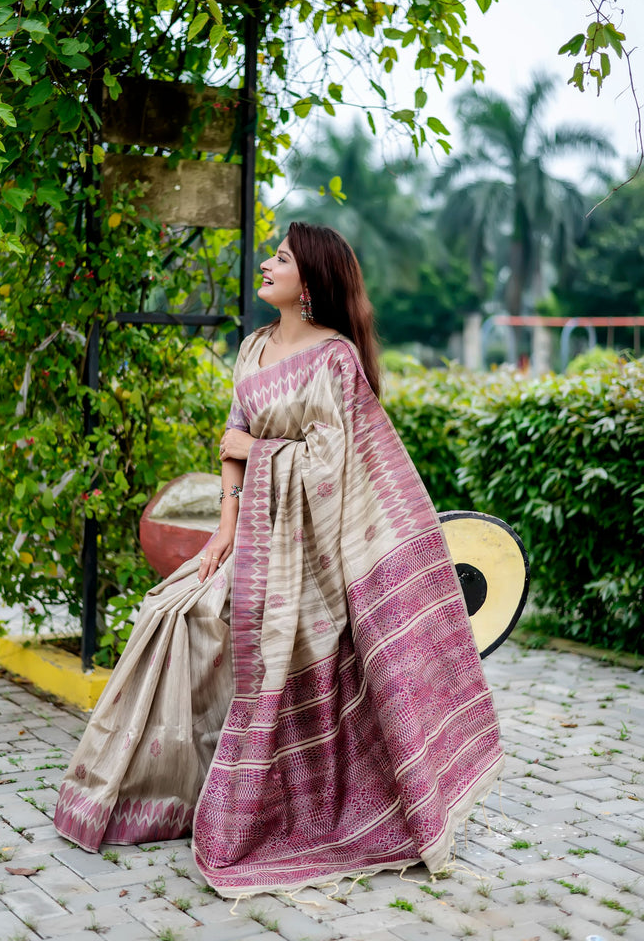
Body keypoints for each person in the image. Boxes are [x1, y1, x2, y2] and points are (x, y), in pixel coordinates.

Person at [54, 221, 504, 898]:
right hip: (256, 537)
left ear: (312, 282)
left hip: (312, 558)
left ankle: (264, 804)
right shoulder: (254, 348)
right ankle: (157, 795)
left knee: (208, 623)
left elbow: (333, 466)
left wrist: (250, 455)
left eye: (281, 258)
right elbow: (231, 444)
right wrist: (224, 525)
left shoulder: (335, 361)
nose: (265, 264)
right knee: (169, 610)